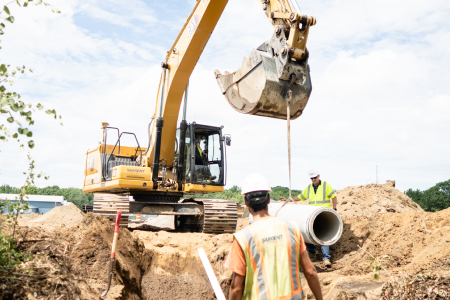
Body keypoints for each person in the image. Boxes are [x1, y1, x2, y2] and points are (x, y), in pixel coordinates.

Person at [225, 173, 323, 300]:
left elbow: (236, 288)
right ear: (269, 200)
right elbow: (310, 272)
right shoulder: (292, 228)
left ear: (246, 203)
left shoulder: (243, 238)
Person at [280, 169, 338, 267]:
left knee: (324, 236)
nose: (313, 180)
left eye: (315, 177)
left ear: (319, 176)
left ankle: (326, 258)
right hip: (312, 215)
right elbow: (301, 197)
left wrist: (334, 208)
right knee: (308, 232)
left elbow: (334, 197)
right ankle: (311, 253)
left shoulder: (325, 185)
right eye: (311, 178)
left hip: (323, 215)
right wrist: (288, 199)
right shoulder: (309, 187)